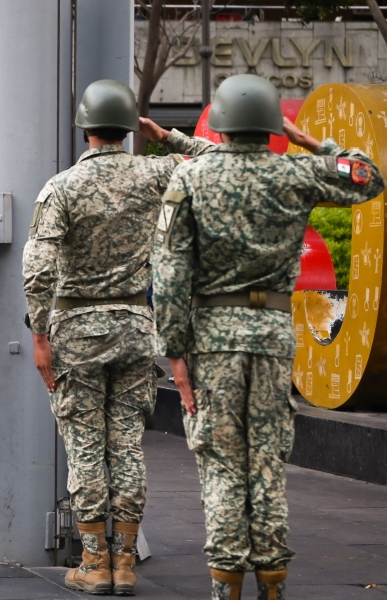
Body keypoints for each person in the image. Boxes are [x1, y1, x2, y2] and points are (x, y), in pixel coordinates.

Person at [153, 74, 385, 600]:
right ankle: (273, 582)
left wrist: (176, 356)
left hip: (212, 340)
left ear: (221, 123)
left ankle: (226, 585)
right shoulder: (295, 172)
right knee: (267, 463)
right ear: (272, 126)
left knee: (221, 463)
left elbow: (169, 274)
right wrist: (311, 142)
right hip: (274, 336)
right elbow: (368, 178)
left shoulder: (191, 178)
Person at [22, 79, 215, 596]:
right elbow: (217, 161)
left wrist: (39, 335)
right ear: (131, 128)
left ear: (84, 128)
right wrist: (167, 136)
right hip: (134, 327)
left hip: (76, 332)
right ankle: (126, 561)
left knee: (86, 446)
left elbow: (38, 268)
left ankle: (94, 562)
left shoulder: (61, 186)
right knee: (127, 445)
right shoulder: (156, 173)